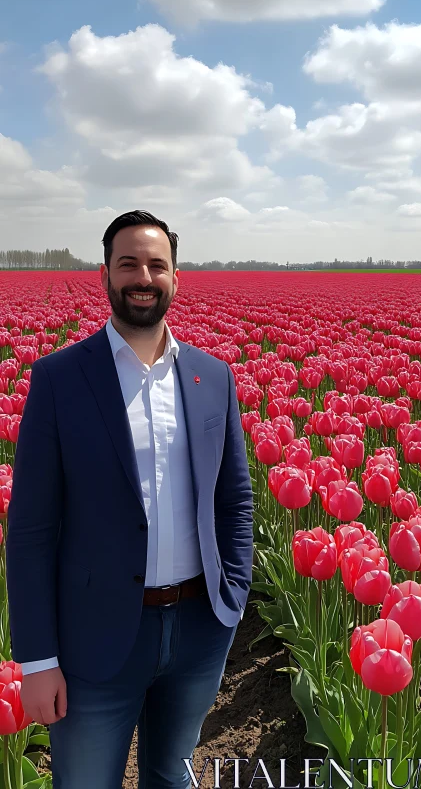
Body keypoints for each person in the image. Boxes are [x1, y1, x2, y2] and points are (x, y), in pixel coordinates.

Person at [5, 210, 254, 789]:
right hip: (94, 636)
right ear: (104, 276)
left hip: (197, 630)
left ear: (175, 277)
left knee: (172, 774)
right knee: (86, 780)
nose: (143, 276)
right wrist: (37, 660)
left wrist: (232, 597)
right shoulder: (60, 378)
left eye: (156, 264)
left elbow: (235, 498)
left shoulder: (211, 375)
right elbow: (32, 530)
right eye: (129, 264)